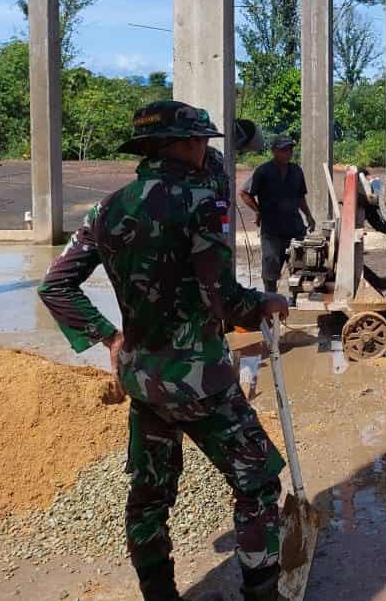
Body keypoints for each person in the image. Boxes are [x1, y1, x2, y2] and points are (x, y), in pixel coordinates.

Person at [37, 101, 289, 601]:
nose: (204, 150)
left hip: (144, 382)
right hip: (201, 381)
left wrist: (110, 337)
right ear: (182, 144)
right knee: (258, 483)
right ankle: (263, 593)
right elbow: (226, 300)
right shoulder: (201, 203)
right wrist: (266, 302)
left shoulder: (107, 208)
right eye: (200, 141)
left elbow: (56, 286)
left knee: (149, 497)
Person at [239, 135, 315, 296]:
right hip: (272, 230)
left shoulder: (296, 171)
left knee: (299, 265)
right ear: (274, 151)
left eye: (290, 150)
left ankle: (295, 299)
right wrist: (258, 211)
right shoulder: (263, 171)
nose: (287, 153)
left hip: (294, 228)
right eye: (283, 150)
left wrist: (308, 215)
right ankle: (270, 298)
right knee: (270, 267)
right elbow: (245, 193)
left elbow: (301, 197)